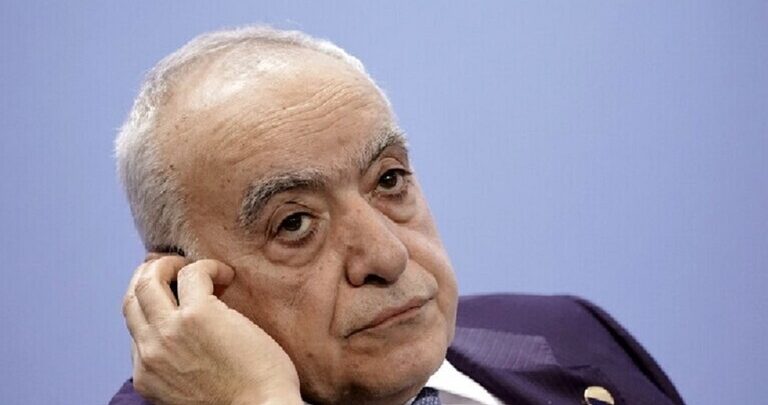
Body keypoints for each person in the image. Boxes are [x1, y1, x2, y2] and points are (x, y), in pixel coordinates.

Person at [110, 26, 684, 405]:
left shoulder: (568, 334)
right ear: (182, 289)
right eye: (294, 223)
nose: (388, 255)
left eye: (388, 180)